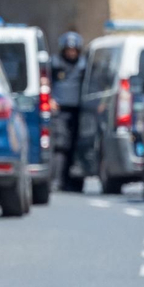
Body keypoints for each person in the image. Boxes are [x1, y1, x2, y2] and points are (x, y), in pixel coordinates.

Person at [50, 31, 87, 192]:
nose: (71, 53)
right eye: (68, 50)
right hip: (60, 111)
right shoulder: (55, 64)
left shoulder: (83, 65)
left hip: (80, 111)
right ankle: (57, 180)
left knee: (77, 147)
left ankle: (74, 181)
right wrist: (50, 99)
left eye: (74, 50)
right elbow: (46, 82)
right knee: (60, 146)